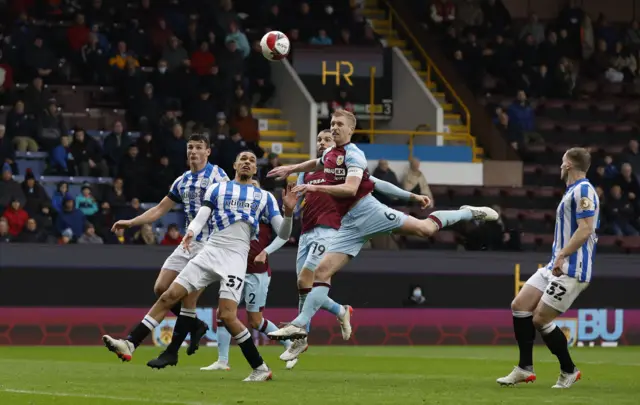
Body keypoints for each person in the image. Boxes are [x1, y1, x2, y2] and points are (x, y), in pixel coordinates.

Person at [266, 110, 498, 341]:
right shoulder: (330, 154)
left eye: (339, 124)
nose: (334, 127)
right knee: (322, 272)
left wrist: (316, 188)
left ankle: (466, 212)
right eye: (332, 123)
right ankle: (300, 325)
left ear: (351, 129)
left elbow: (350, 189)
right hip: (348, 225)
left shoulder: (355, 155)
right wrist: (291, 169)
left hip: (369, 212)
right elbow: (317, 164)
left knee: (425, 229)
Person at [103, 151, 297, 382]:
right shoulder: (218, 189)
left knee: (227, 316)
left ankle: (260, 368)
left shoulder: (264, 197)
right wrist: (191, 232)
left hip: (236, 258)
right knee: (168, 295)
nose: (247, 162)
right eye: (243, 159)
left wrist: (288, 213)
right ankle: (129, 343)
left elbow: (284, 233)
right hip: (210, 251)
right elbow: (202, 216)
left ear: (256, 169)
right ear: (234, 164)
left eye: (252, 160)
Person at [274, 129, 435, 363]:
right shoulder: (306, 175)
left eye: (327, 139)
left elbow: (379, 185)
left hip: (330, 230)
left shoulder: (348, 170)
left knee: (305, 280)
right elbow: (296, 206)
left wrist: (411, 197)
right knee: (303, 285)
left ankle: (301, 335)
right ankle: (338, 312)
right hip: (307, 232)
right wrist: (289, 211)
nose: (322, 143)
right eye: (319, 139)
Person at [110, 134, 228, 357]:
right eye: (190, 147)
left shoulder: (218, 176)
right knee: (160, 288)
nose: (193, 151)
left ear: (208, 152)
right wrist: (131, 222)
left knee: (185, 297)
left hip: (209, 245)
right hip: (188, 242)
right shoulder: (182, 181)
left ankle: (167, 349)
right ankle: (195, 326)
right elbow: (158, 210)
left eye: (198, 147)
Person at [497, 147, 597, 389]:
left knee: (540, 319)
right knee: (519, 305)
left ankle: (569, 370)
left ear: (569, 165)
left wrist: (564, 254)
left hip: (572, 268)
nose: (560, 166)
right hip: (556, 265)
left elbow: (586, 228)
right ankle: (524, 369)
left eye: (563, 161)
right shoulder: (572, 191)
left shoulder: (584, 189)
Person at [200, 179, 297, 372]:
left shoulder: (265, 212)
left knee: (255, 321)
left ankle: (290, 345)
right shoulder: (235, 212)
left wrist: (266, 251)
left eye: (254, 185)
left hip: (256, 273)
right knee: (223, 313)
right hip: (234, 269)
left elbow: (284, 235)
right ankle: (222, 360)